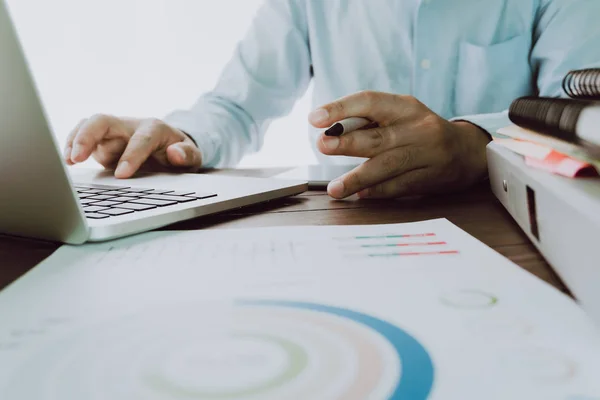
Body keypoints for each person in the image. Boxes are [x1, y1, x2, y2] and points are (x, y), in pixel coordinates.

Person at [63, 0, 600, 200]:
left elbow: (579, 123)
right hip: (344, 215)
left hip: (505, 218)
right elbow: (236, 106)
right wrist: (183, 139)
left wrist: (473, 142)